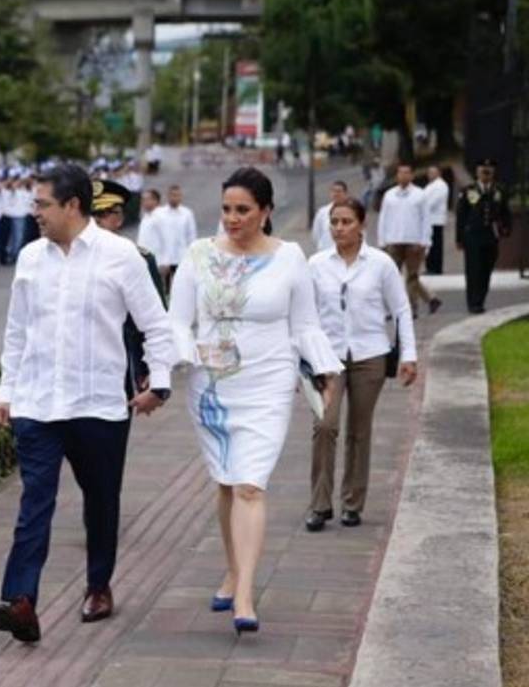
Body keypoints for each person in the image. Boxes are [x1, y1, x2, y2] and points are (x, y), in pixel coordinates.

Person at [0, 164, 175, 643]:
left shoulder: (121, 256)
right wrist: (7, 392)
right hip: (37, 404)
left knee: (101, 501)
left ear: (72, 205)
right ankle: (20, 600)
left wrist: (160, 383)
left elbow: (155, 324)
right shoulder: (31, 257)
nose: (35, 212)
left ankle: (98, 585)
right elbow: (17, 331)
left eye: (42, 204)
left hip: (98, 406)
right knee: (34, 503)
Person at [167, 167, 341, 633]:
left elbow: (305, 324)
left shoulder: (289, 257)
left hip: (268, 383)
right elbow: (177, 321)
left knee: (250, 484)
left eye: (243, 210)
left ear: (265, 212)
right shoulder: (198, 255)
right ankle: (232, 571)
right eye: (227, 209)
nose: (232, 218)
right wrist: (180, 359)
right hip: (213, 388)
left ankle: (244, 594)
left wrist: (325, 370)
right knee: (227, 481)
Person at [306, 198, 417, 532]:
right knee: (325, 425)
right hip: (328, 357)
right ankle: (320, 504)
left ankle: (352, 503)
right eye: (334, 222)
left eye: (346, 222)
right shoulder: (316, 264)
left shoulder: (380, 264)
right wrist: (301, 359)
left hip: (370, 355)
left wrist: (409, 355)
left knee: (359, 429)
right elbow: (304, 316)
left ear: (362, 225)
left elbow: (401, 309)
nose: (339, 228)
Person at [91, 178, 166, 399]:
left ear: (119, 218)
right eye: (92, 215)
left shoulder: (139, 258)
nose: (97, 221)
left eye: (104, 214)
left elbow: (154, 321)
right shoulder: (70, 258)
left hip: (122, 356)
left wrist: (151, 369)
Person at [377, 163, 440, 317]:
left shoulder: (419, 195)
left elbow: (426, 219)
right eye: (401, 173)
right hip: (393, 240)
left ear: (411, 175)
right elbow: (383, 218)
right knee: (390, 278)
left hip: (414, 241)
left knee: (412, 277)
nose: (403, 176)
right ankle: (395, 307)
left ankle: (412, 309)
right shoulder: (390, 195)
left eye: (407, 173)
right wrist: (382, 240)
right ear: (397, 175)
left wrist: (425, 241)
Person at [456, 159, 512, 314]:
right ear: (477, 172)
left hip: (490, 236)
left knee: (486, 269)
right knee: (473, 270)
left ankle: (480, 299)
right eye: (483, 171)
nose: (486, 174)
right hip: (473, 236)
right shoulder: (469, 191)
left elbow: (505, 212)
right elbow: (461, 215)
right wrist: (459, 238)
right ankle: (473, 303)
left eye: (489, 170)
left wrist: (506, 228)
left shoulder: (499, 191)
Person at [157, 185, 197, 286]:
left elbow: (191, 235)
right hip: (164, 257)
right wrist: (160, 258)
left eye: (177, 195)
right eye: (173, 195)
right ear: (168, 196)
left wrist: (192, 256)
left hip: (181, 256)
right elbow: (157, 237)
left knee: (181, 285)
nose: (175, 198)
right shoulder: (159, 214)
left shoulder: (187, 213)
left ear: (181, 197)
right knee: (165, 287)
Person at [422, 166, 450, 275]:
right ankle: (430, 266)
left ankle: (436, 268)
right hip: (429, 220)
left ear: (439, 173)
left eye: (433, 172)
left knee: (436, 245)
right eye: (429, 172)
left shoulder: (441, 185)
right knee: (429, 245)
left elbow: (432, 202)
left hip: (436, 220)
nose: (430, 174)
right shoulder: (430, 185)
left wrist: (421, 208)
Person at [311, 181, 349, 253]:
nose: (336, 194)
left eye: (339, 191)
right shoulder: (322, 212)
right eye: (333, 191)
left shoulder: (352, 211)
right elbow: (316, 234)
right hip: (325, 251)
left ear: (346, 193)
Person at [136, 188, 165, 268]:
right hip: (145, 260)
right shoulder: (146, 217)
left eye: (147, 199)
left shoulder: (162, 217)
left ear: (156, 201)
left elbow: (168, 240)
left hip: (159, 261)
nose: (144, 202)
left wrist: (164, 262)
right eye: (143, 200)